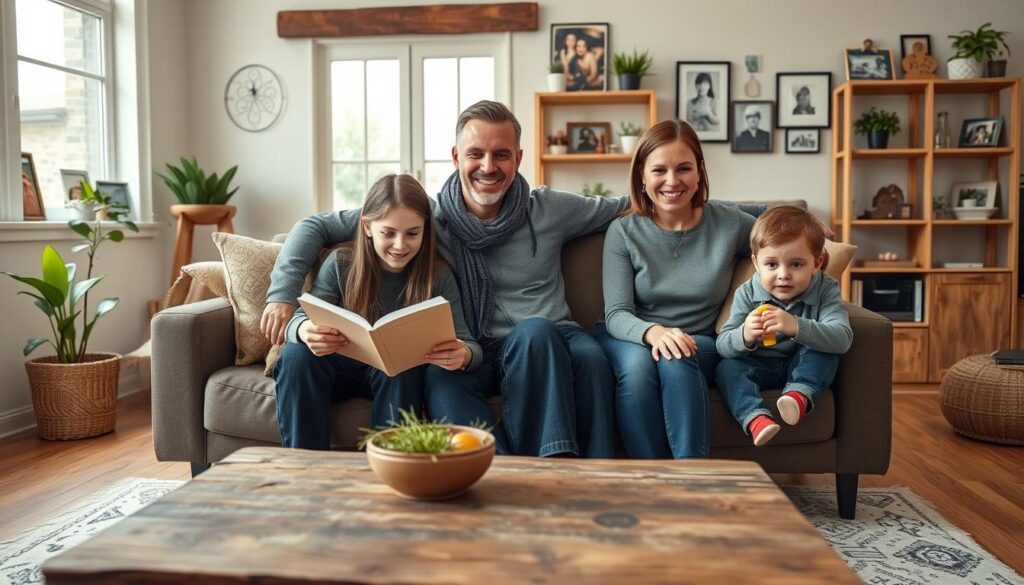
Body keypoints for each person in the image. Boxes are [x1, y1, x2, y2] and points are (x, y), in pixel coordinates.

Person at [262, 101, 626, 458]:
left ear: (517, 158)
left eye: (501, 154)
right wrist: (282, 296)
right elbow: (316, 225)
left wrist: (674, 196)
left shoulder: (550, 208)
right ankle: (497, 468)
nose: (488, 166)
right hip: (473, 348)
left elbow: (624, 206)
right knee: (438, 376)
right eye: (475, 154)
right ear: (456, 157)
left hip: (538, 339)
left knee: (586, 357)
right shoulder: (423, 216)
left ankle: (583, 474)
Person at [274, 174, 484, 450]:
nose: (400, 245)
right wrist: (303, 331)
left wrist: (465, 355)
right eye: (388, 233)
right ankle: (304, 464)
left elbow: (470, 345)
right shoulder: (341, 264)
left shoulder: (439, 277)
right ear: (368, 227)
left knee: (401, 370)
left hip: (397, 377)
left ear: (426, 229)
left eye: (412, 233)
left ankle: (393, 464)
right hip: (341, 370)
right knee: (297, 354)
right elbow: (298, 317)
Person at [595, 119, 761, 459]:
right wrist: (654, 332)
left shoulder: (729, 223)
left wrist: (801, 223)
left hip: (700, 338)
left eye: (684, 168)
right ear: (642, 174)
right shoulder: (623, 232)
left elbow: (774, 232)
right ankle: (653, 479)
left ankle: (690, 476)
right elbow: (616, 314)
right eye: (659, 170)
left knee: (678, 354)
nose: (672, 181)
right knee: (638, 372)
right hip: (632, 334)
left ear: (699, 171)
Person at [714, 206, 852, 446]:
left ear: (817, 262)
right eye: (771, 265)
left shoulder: (825, 288)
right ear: (756, 263)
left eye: (796, 264)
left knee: (824, 351)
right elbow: (723, 345)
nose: (783, 275)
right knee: (726, 368)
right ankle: (756, 418)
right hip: (759, 367)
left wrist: (796, 326)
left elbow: (842, 338)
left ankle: (798, 396)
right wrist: (745, 334)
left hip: (801, 364)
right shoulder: (747, 292)